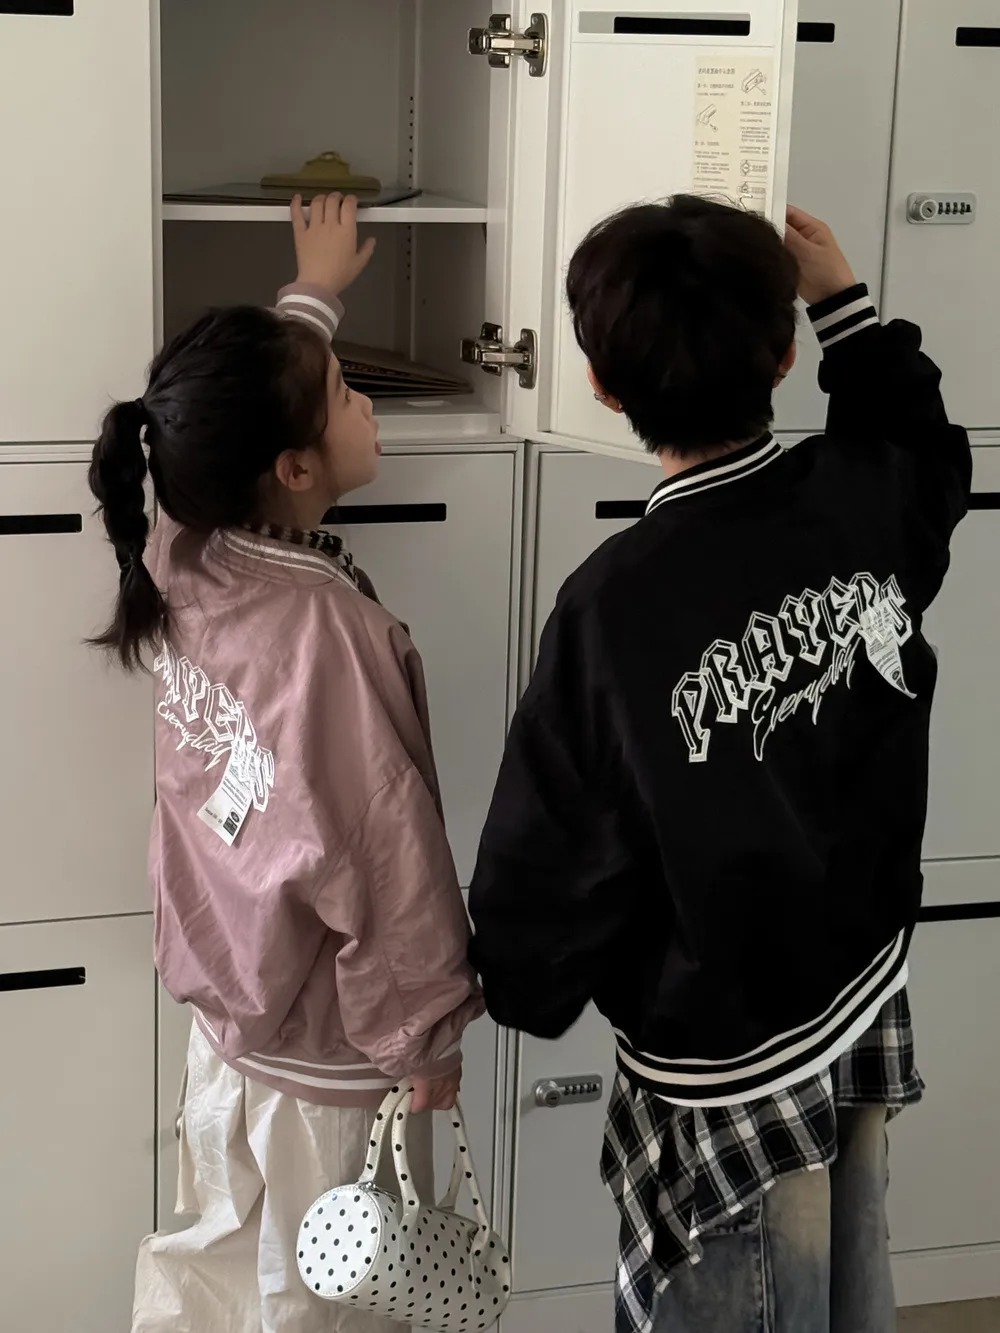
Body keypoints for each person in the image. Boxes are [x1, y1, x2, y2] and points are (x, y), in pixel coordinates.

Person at [468, 198, 971, 1333]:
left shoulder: (613, 605)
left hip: (724, 1068)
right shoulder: (857, 497)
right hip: (857, 995)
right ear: (786, 357)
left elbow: (553, 856)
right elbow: (928, 450)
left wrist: (523, 982)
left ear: (602, 389)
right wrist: (844, 303)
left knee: (743, 1298)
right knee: (844, 1281)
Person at [88, 193, 482, 1333]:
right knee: (328, 1309)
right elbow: (385, 858)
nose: (367, 405)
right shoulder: (335, 640)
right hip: (328, 1066)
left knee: (218, 1278)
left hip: (227, 1036)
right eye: (348, 392)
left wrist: (311, 298)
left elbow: (224, 428)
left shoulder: (182, 547)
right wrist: (425, 1039)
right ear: (297, 466)